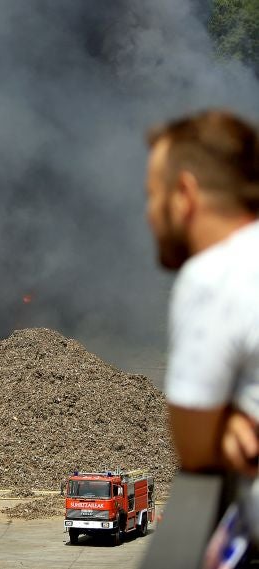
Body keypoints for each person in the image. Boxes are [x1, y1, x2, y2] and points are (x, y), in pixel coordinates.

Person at [143, 109, 259, 561]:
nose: (149, 213)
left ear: (185, 194)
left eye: (153, 195)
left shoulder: (214, 277)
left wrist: (221, 419)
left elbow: (194, 449)